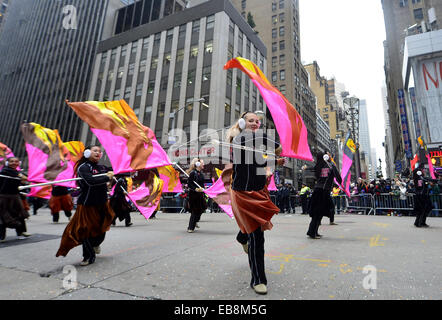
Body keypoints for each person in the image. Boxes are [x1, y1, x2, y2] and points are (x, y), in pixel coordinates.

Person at [226, 111, 285, 295]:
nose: (255, 123)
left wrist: (275, 161)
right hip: (243, 194)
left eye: (257, 121)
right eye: (251, 120)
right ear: (243, 122)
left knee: (255, 230)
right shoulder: (238, 139)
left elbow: (274, 152)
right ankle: (258, 279)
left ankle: (241, 237)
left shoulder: (261, 139)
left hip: (259, 192)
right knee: (257, 237)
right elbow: (242, 158)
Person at [56, 145, 115, 266]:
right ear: (87, 153)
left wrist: (128, 170)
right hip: (88, 204)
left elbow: (119, 172)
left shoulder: (102, 167)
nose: (98, 153)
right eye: (95, 150)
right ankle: (88, 256)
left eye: (99, 151)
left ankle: (95, 244)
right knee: (86, 231)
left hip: (102, 203)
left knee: (102, 228)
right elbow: (90, 181)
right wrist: (107, 177)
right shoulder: (83, 167)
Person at [303, 151, 342, 239]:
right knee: (320, 212)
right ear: (325, 156)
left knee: (318, 213)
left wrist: (306, 168)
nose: (329, 155)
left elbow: (311, 168)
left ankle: (313, 232)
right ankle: (312, 232)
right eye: (328, 154)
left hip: (317, 191)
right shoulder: (331, 166)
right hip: (324, 192)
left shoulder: (318, 165)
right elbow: (338, 178)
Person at [0, 157, 31, 242]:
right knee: (3, 216)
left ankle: (21, 232)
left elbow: (23, 181)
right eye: (11, 161)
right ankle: (1, 236)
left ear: (19, 163)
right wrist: (21, 176)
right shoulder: (5, 171)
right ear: (7, 163)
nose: (14, 163)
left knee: (19, 215)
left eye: (16, 161)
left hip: (15, 196)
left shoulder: (17, 173)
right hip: (3, 197)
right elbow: (16, 176)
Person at [186, 158, 207, 233]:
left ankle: (195, 221)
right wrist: (195, 189)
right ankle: (190, 227)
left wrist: (204, 189)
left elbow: (201, 184)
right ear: (198, 164)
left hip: (200, 195)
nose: (203, 164)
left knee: (203, 207)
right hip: (194, 195)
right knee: (195, 211)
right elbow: (189, 184)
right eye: (202, 163)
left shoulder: (201, 173)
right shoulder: (193, 173)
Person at [413, 163, 436, 227]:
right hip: (420, 195)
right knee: (422, 209)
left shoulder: (421, 178)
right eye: (423, 169)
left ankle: (421, 222)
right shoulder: (419, 178)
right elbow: (420, 186)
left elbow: (424, 184)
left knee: (427, 208)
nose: (424, 170)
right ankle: (418, 222)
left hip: (424, 195)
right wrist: (429, 181)